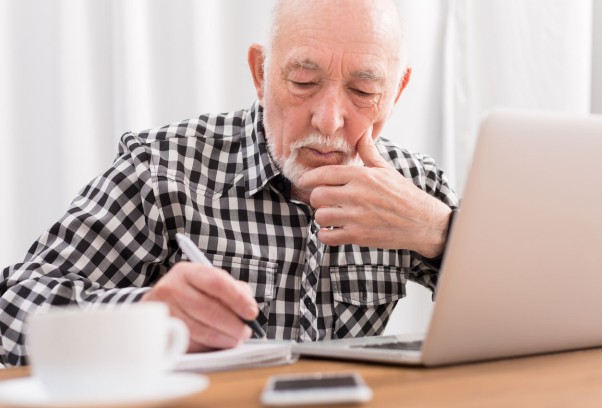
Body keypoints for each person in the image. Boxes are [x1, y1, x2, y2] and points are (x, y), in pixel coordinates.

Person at [0, 0, 458, 367]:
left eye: (363, 92)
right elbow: (12, 313)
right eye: (303, 81)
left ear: (396, 93)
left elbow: (522, 307)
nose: (329, 119)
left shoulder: (414, 182)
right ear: (261, 74)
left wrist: (439, 230)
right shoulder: (164, 168)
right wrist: (142, 318)